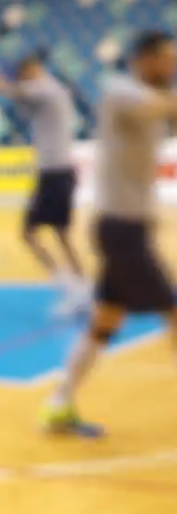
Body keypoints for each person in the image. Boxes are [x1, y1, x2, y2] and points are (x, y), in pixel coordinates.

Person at [40, 30, 177, 436]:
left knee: (104, 322)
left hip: (127, 229)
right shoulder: (121, 91)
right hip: (121, 230)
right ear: (143, 59)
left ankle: (59, 403)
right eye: (166, 57)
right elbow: (158, 106)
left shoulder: (153, 97)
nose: (171, 64)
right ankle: (59, 402)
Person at [0, 51, 87, 314]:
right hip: (58, 172)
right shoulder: (52, 90)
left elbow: (10, 90)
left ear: (33, 69)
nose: (22, 79)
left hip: (54, 173)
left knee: (30, 233)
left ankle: (71, 288)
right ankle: (79, 288)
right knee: (60, 233)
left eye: (23, 74)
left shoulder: (45, 90)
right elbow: (19, 96)